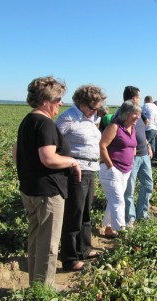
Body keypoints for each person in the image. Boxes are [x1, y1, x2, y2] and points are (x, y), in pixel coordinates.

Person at [12, 76, 82, 289]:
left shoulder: (28, 120)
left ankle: (36, 283)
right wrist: (72, 161)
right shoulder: (45, 124)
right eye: (58, 99)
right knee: (49, 243)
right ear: (46, 100)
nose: (61, 103)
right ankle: (44, 288)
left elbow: (16, 152)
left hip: (31, 189)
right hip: (47, 193)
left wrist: (29, 171)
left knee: (35, 239)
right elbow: (48, 158)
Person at [55, 84, 106, 271]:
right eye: (93, 107)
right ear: (81, 103)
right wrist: (66, 161)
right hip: (76, 169)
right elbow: (52, 141)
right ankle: (69, 258)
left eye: (97, 108)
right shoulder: (68, 118)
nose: (95, 111)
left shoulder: (89, 118)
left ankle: (84, 249)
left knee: (85, 211)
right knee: (73, 213)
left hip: (91, 168)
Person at [99, 100, 140, 237]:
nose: (137, 117)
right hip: (112, 170)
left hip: (126, 170)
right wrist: (111, 167)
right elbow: (102, 146)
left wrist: (131, 160)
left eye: (139, 114)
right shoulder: (114, 127)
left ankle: (109, 229)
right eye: (135, 114)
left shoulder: (132, 128)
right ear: (126, 114)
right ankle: (122, 231)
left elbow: (133, 146)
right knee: (118, 201)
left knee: (114, 200)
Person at [124, 87, 154, 227]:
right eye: (139, 97)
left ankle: (142, 213)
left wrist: (147, 144)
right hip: (132, 156)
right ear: (133, 98)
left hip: (144, 155)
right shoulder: (123, 113)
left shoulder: (138, 113)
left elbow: (141, 132)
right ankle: (130, 217)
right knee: (129, 189)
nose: (140, 100)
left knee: (148, 185)